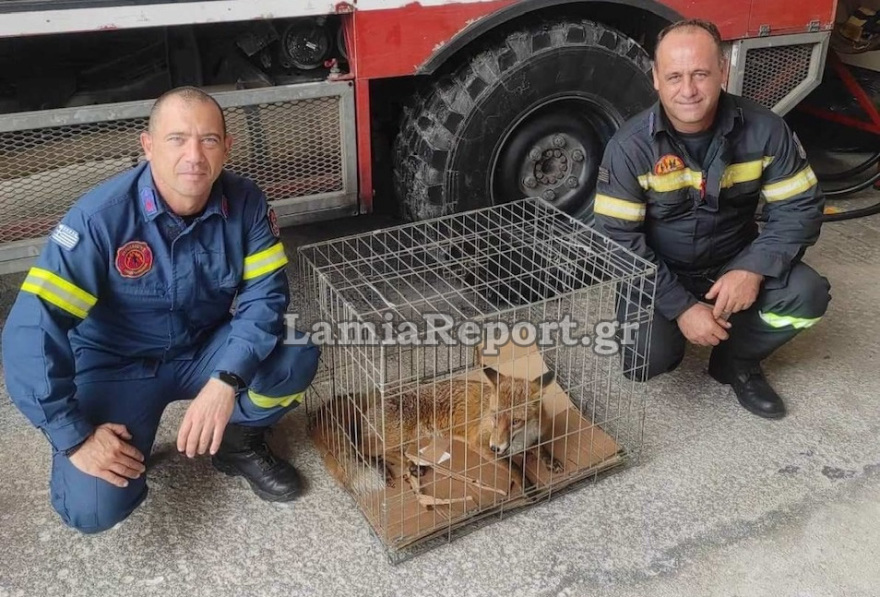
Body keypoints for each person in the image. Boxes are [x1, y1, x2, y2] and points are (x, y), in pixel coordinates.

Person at [1, 86, 320, 533]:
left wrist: (227, 379)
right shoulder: (100, 219)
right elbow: (32, 330)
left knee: (294, 353)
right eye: (177, 139)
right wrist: (73, 436)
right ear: (148, 145)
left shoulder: (246, 203)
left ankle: (238, 442)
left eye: (208, 140)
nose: (194, 155)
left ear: (227, 148)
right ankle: (117, 446)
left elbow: (265, 297)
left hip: (202, 350)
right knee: (93, 509)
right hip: (115, 364)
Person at [593, 19, 831, 419]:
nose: (688, 90)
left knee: (807, 295)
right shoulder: (629, 148)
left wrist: (752, 270)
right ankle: (670, 328)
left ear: (723, 71)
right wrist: (681, 308)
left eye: (701, 74)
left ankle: (736, 360)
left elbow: (801, 207)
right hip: (663, 270)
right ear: (656, 79)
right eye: (675, 76)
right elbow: (617, 240)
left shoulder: (766, 130)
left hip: (733, 263)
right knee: (645, 361)